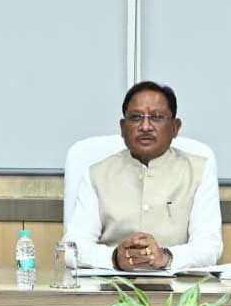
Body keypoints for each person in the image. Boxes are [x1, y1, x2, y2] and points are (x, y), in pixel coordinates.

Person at [62, 81, 222, 270]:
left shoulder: (198, 171)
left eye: (157, 117)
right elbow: (71, 248)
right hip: (111, 283)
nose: (145, 126)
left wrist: (166, 257)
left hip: (176, 284)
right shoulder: (96, 174)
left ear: (175, 127)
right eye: (136, 117)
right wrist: (114, 258)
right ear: (123, 127)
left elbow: (210, 246)